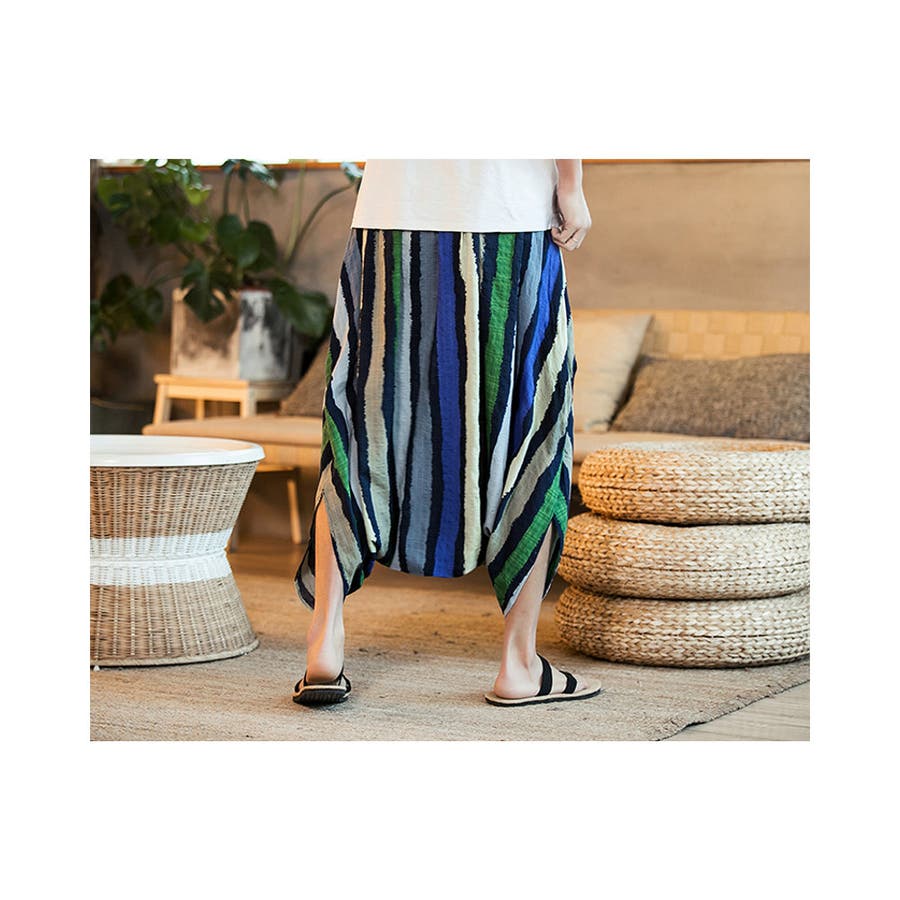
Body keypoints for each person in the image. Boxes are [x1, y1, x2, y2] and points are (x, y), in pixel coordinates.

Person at [291, 159, 602, 708]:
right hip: (506, 214)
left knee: (363, 424)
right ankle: (519, 664)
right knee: (534, 424)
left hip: (391, 217)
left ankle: (325, 640)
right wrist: (571, 186)